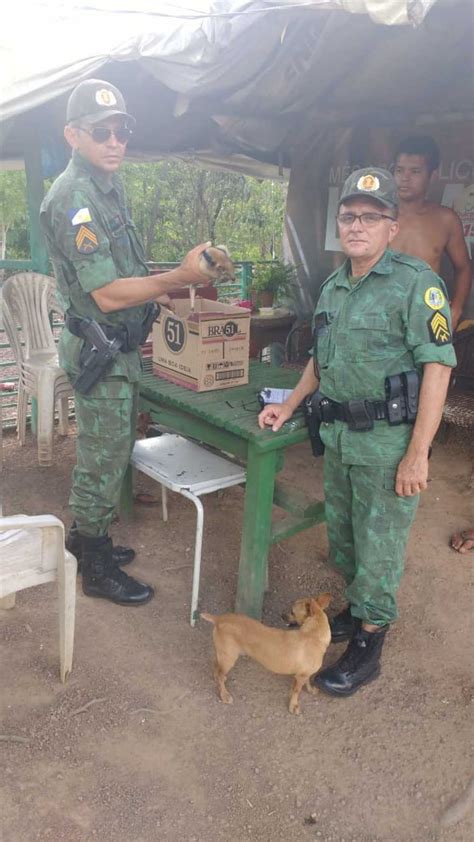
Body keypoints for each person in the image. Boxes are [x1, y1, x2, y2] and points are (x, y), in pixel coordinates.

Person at [259, 167, 456, 696]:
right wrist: (289, 405)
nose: (358, 225)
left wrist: (419, 453)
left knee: (381, 544)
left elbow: (438, 368)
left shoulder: (417, 285)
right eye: (349, 216)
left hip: (389, 445)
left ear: (392, 227)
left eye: (372, 217)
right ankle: (356, 606)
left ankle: (371, 637)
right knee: (345, 540)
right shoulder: (332, 288)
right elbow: (318, 364)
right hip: (341, 439)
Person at [40, 79, 211, 607]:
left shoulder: (105, 188)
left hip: (117, 349)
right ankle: (93, 564)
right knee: (103, 458)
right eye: (102, 131)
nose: (116, 141)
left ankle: (83, 538)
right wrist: (175, 278)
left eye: (123, 130)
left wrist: (154, 293)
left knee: (109, 453)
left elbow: (124, 273)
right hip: (101, 349)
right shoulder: (76, 197)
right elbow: (107, 293)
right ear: (73, 135)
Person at [392, 135, 472, 329]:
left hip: (427, 317)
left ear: (432, 175)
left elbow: (464, 267)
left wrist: (457, 309)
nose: (405, 178)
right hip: (381, 316)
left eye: (415, 171)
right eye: (400, 170)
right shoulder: (377, 217)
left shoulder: (445, 219)